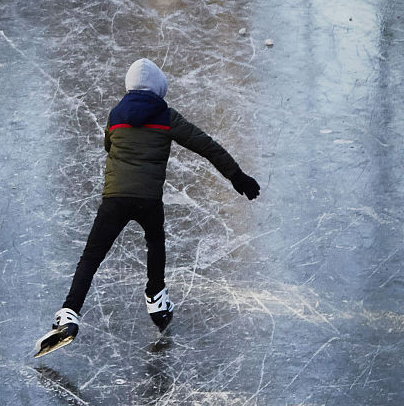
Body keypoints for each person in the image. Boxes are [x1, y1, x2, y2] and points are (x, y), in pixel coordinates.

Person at [36, 60, 261, 356]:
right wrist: (237, 176)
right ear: (159, 88)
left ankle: (69, 314)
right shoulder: (166, 116)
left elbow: (108, 145)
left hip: (114, 200)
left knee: (91, 257)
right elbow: (206, 145)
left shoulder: (116, 116)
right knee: (155, 240)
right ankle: (156, 295)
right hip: (148, 201)